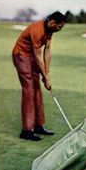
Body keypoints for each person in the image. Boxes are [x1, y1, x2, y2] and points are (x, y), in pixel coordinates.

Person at [12, 11, 66, 141]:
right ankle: (26, 130)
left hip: (31, 56)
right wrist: (46, 78)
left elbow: (47, 51)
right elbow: (38, 56)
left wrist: (46, 74)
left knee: (37, 90)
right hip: (21, 55)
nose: (60, 29)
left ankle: (37, 125)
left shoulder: (50, 31)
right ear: (52, 22)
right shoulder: (37, 30)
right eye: (59, 26)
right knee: (29, 90)